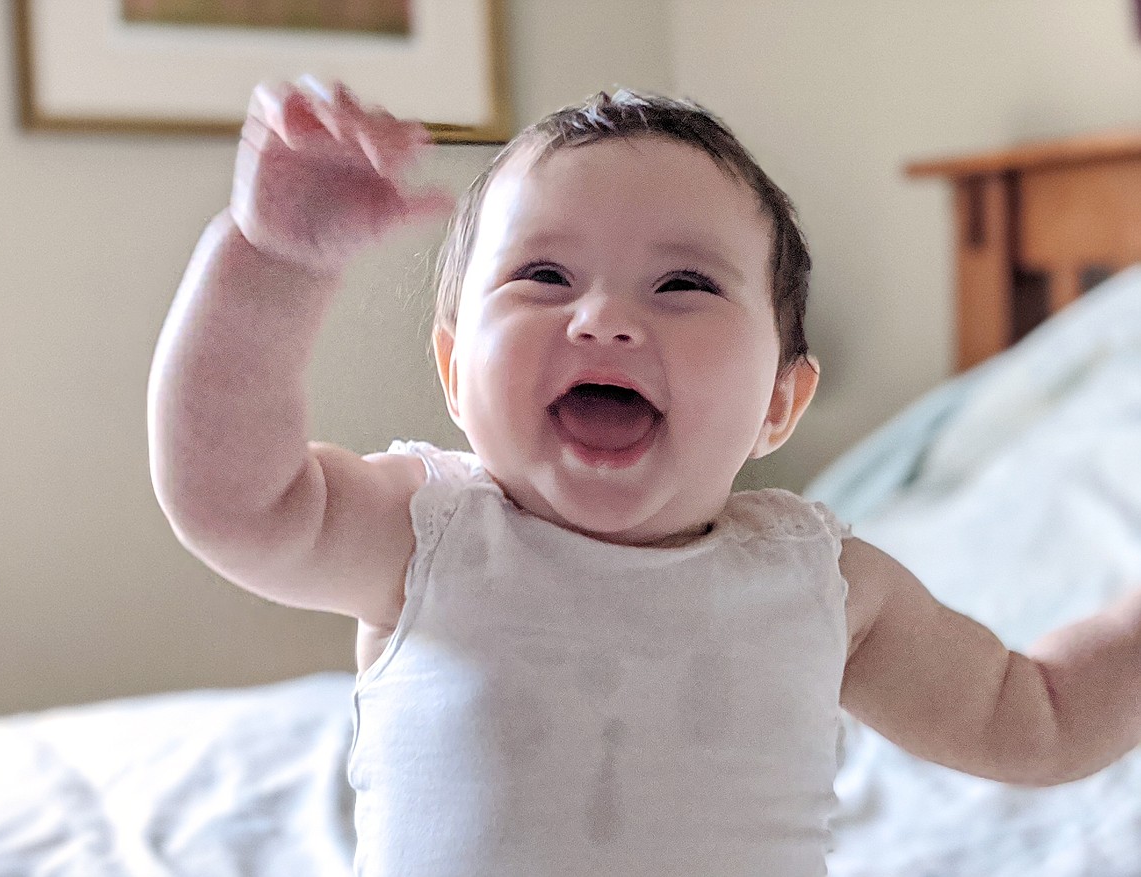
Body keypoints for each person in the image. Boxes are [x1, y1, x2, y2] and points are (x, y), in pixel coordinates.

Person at [147, 77, 1141, 875]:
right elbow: (236, 500)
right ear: (454, 372)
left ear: (778, 405)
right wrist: (269, 262)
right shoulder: (427, 532)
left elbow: (1036, 716)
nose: (606, 319)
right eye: (544, 276)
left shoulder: (824, 583)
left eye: (683, 284)